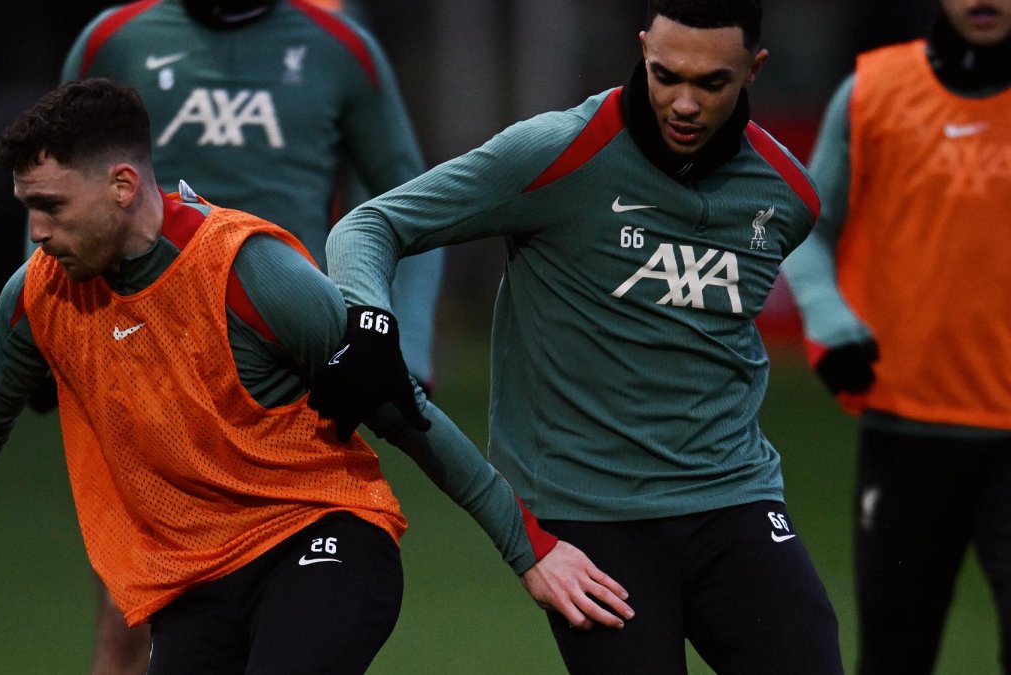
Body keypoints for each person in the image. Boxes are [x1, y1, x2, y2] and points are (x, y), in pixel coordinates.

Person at [0, 79, 632, 673]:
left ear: (122, 185)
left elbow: (401, 407)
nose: (36, 232)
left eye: (51, 207)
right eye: (27, 209)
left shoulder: (251, 273)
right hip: (197, 584)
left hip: (321, 538)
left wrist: (527, 546)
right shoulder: (37, 296)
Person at [307, 0, 845, 672]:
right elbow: (369, 225)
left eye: (711, 83)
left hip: (735, 498)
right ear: (644, 48)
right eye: (666, 74)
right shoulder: (558, 151)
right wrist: (370, 317)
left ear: (753, 70)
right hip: (591, 516)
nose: (683, 103)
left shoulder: (786, 196)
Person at [50, 3, 442, 669]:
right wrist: (44, 326)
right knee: (132, 617)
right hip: (145, 359)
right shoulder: (115, 40)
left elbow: (410, 200)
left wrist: (408, 342)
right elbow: (53, 184)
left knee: (296, 593)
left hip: (291, 366)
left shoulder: (339, 48)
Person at [781, 1, 1011, 672]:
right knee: (893, 656)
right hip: (904, 429)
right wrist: (828, 319)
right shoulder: (872, 93)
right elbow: (807, 227)